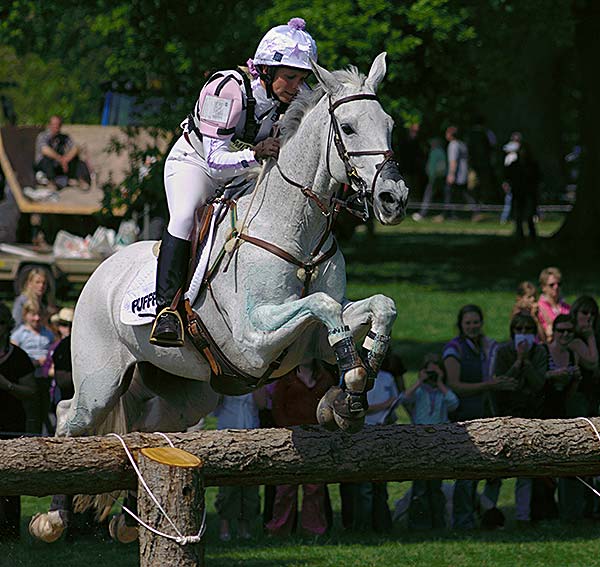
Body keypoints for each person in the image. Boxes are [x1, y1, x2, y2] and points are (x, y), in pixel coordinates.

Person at [150, 18, 318, 347]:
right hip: (195, 165)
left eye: (303, 78)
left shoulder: (296, 96)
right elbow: (214, 157)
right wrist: (256, 155)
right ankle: (166, 310)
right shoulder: (225, 88)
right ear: (266, 71)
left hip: (243, 173)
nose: (298, 86)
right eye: (290, 77)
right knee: (185, 216)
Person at [443, 304, 517, 529]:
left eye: (476, 322)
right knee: (468, 472)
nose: (473, 327)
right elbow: (454, 385)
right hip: (465, 417)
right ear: (461, 325)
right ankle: (463, 520)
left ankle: (487, 513)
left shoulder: (488, 346)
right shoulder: (454, 349)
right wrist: (488, 385)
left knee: (495, 471)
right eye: (468, 323)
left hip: (489, 414)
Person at [266, 361, 335, 537]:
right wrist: (285, 430)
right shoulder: (286, 378)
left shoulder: (325, 378)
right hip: (290, 437)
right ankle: (280, 529)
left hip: (317, 437)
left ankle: (313, 530)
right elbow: (277, 406)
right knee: (286, 488)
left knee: (314, 488)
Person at [494, 312, 547, 524]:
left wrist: (527, 362)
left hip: (531, 414)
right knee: (496, 469)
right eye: (519, 330)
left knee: (526, 470)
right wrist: (517, 362)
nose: (523, 335)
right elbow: (503, 383)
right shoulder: (504, 351)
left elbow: (539, 384)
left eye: (527, 331)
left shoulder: (540, 351)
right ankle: (489, 513)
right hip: (506, 413)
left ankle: (523, 516)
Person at [399, 353, 459, 529]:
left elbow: (454, 403)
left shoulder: (443, 392)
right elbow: (403, 399)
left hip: (439, 442)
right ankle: (419, 523)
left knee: (435, 487)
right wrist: (420, 381)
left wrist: (439, 383)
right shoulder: (419, 391)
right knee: (420, 487)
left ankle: (438, 522)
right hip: (419, 441)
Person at [0, 302, 36, 540]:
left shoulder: (19, 357)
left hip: (10, 425)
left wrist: (8, 386)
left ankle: (11, 531)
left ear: (7, 326)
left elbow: (31, 391)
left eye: (0, 324)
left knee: (10, 481)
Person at [214, 392, 263, 541]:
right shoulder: (224, 383)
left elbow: (262, 404)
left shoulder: (255, 384)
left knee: (249, 488)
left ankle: (244, 528)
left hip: (252, 434)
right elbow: (214, 405)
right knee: (228, 487)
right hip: (227, 435)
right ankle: (225, 527)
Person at [10, 300, 55, 434]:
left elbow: (53, 350)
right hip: (27, 379)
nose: (37, 318)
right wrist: (32, 362)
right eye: (33, 315)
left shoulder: (47, 334)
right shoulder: (19, 334)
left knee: (45, 410)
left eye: (39, 315)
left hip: (44, 378)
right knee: (30, 412)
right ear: (25, 315)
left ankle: (47, 434)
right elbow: (14, 355)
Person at [435, 126, 480, 223]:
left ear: (451, 135)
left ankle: (446, 215)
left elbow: (453, 161)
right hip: (463, 174)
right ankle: (474, 212)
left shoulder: (453, 145)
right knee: (464, 194)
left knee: (449, 194)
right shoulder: (462, 144)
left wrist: (451, 174)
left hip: (456, 175)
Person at [34, 115, 91, 190]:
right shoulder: (43, 136)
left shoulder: (64, 137)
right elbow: (45, 150)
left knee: (78, 161)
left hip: (59, 165)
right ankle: (51, 183)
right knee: (47, 160)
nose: (56, 127)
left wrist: (66, 159)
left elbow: (76, 148)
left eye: (58, 124)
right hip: (44, 165)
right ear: (49, 125)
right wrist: (61, 159)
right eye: (54, 124)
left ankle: (82, 180)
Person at [503, 140, 540, 240]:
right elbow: (508, 176)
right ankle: (520, 233)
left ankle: (531, 234)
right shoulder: (515, 165)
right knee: (519, 213)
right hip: (518, 191)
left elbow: (537, 178)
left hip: (528, 191)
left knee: (529, 214)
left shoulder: (532, 165)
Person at [412, 137, 447, 221]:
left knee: (428, 195)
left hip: (434, 178)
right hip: (441, 176)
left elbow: (432, 167)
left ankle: (422, 213)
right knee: (445, 195)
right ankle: (446, 213)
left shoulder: (434, 152)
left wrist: (431, 176)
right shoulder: (441, 151)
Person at [537, 267, 570, 343]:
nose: (556, 287)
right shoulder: (538, 308)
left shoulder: (567, 307)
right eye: (552, 285)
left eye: (559, 284)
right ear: (543, 287)